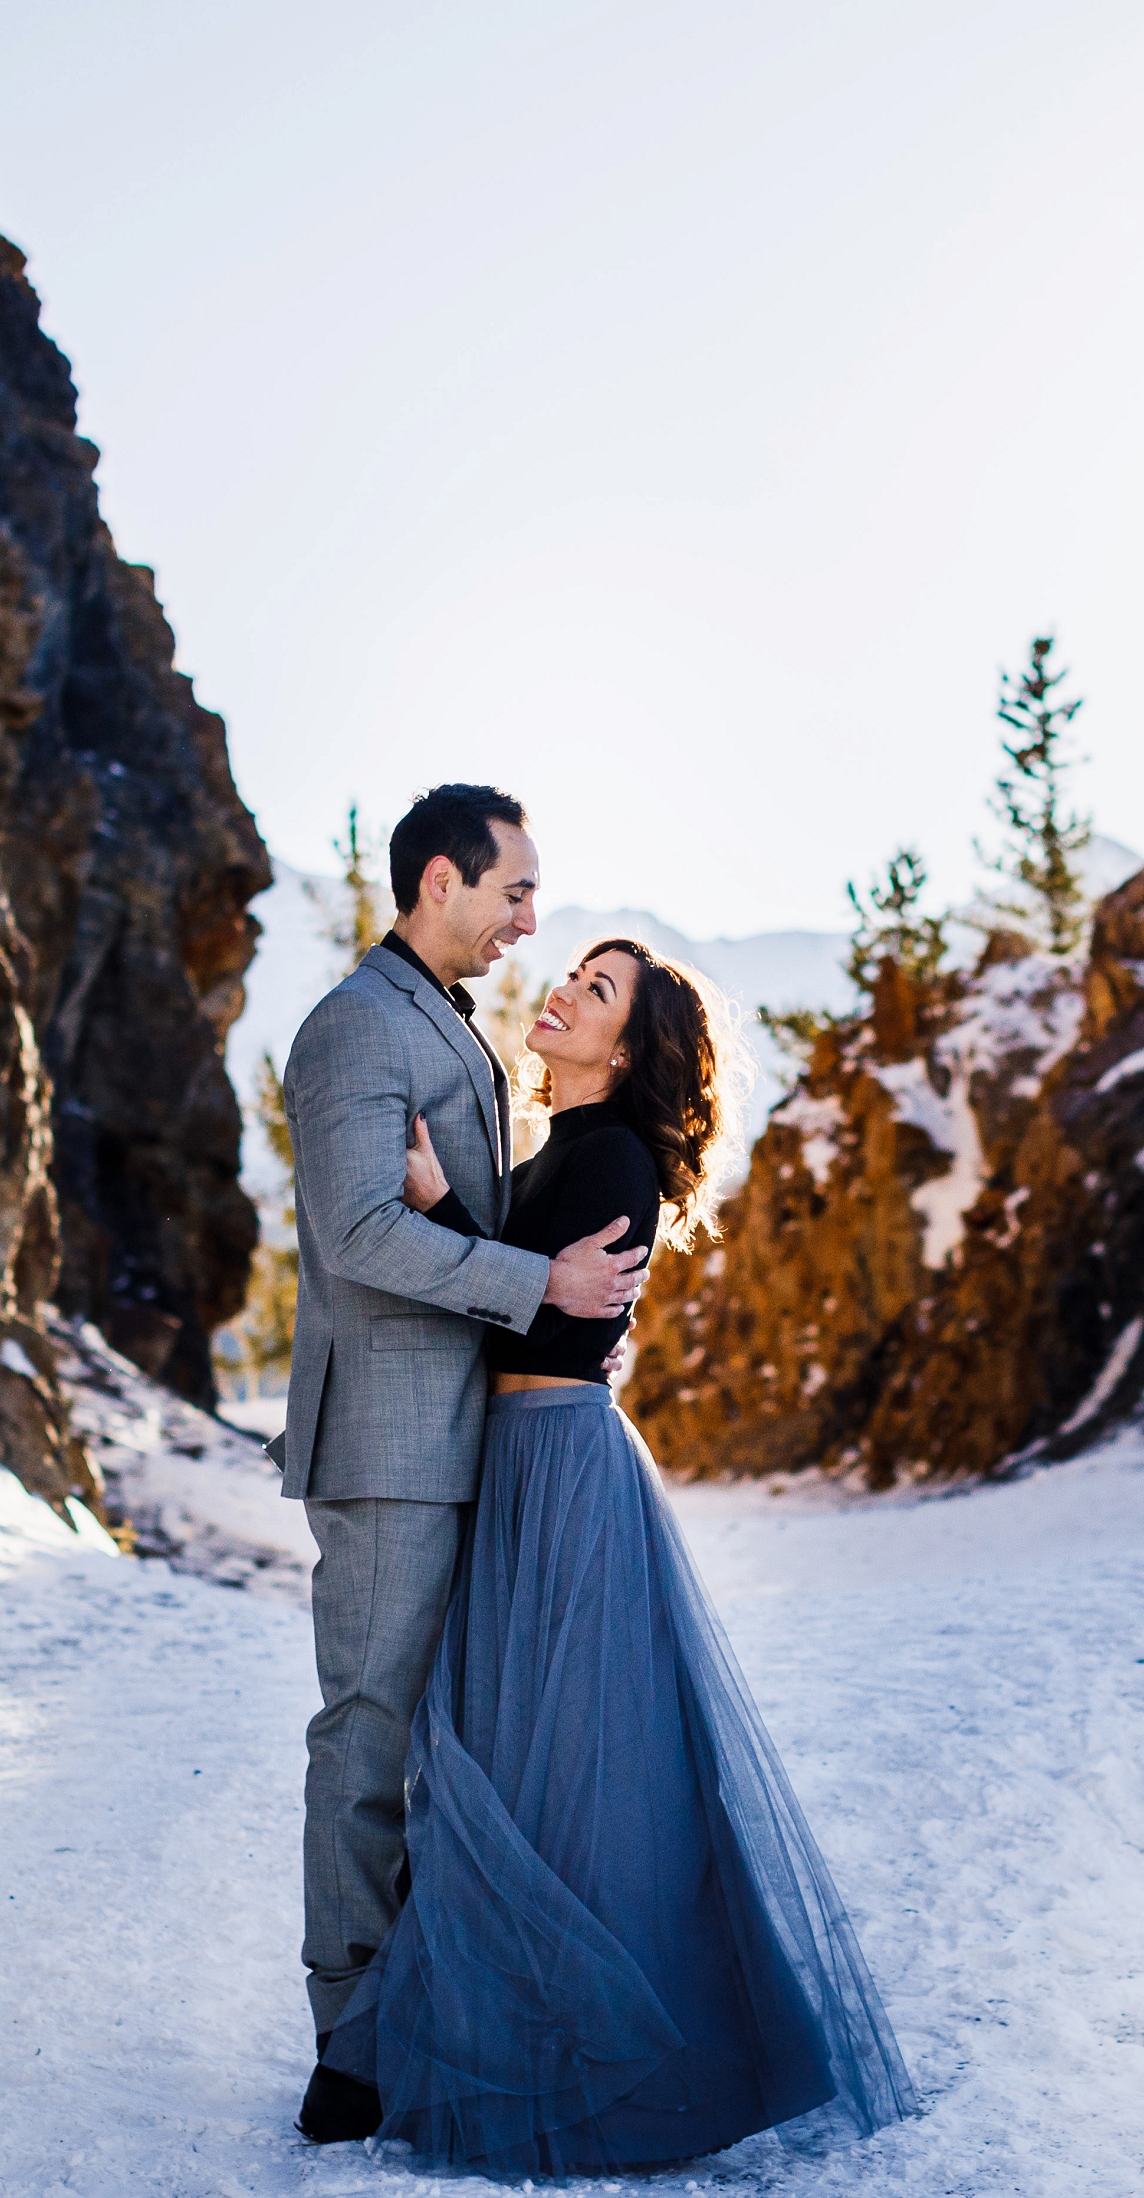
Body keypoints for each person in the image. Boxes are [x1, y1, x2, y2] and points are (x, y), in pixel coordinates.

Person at [315, 935, 917, 2172]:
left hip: (556, 1469)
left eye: (596, 992)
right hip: (530, 1459)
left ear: (629, 1049)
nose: (564, 993)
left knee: (562, 1775)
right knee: (520, 1760)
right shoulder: (567, 1156)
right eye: (573, 975)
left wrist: (459, 1236)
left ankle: (577, 2057)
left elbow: (534, 1314)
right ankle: (503, 2033)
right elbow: (530, 1288)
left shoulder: (614, 1159)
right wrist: (456, 1216)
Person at [272, 785, 653, 2133]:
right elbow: (361, 1231)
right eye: (515, 892)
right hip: (388, 1442)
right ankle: (347, 2052)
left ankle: (419, 2016)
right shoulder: (356, 1028)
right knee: (371, 1738)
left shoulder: (443, 1024)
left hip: (466, 1435)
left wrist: (486, 1230)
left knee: (453, 1752)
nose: (528, 922)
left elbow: (443, 1210)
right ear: (442, 879)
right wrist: (525, 1268)